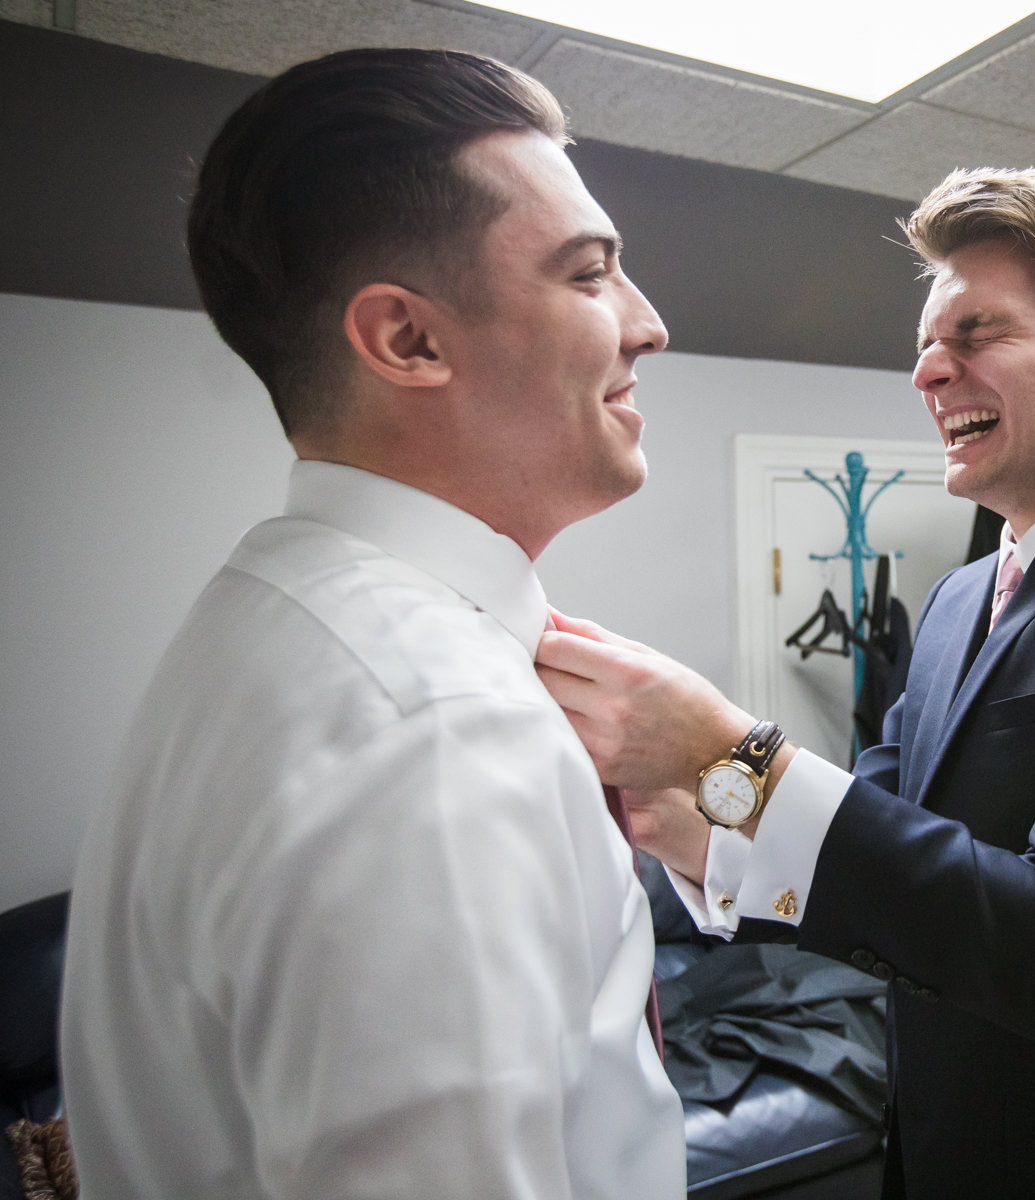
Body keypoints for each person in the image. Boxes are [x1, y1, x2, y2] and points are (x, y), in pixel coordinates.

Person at [534, 168, 1035, 1198]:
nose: (928, 372)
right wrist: (695, 813)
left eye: (976, 335)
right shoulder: (960, 600)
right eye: (924, 345)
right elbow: (888, 850)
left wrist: (725, 753)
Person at [59, 49, 685, 1198]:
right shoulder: (437, 730)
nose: (649, 325)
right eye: (591, 274)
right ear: (408, 341)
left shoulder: (265, 619)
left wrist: (724, 779)